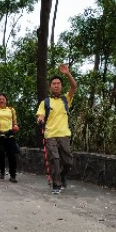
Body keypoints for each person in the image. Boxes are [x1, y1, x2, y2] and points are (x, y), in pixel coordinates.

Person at [36, 64, 77, 195]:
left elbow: (74, 86)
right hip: (50, 135)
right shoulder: (45, 102)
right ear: (50, 87)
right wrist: (40, 119)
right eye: (53, 83)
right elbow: (41, 114)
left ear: (61, 86)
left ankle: (62, 176)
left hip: (64, 135)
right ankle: (56, 183)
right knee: (54, 159)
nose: (56, 85)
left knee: (68, 162)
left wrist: (67, 74)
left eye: (58, 83)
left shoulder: (66, 99)